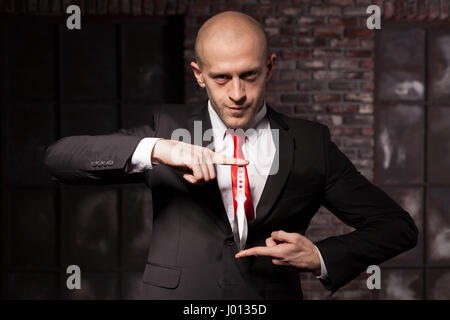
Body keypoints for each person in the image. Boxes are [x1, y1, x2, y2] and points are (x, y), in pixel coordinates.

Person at [44, 11, 418, 299]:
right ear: (199, 74)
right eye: (222, 78)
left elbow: (397, 227)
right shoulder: (167, 127)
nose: (237, 94)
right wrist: (159, 148)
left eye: (249, 75)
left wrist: (319, 256)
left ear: (270, 66)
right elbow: (60, 159)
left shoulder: (310, 143)